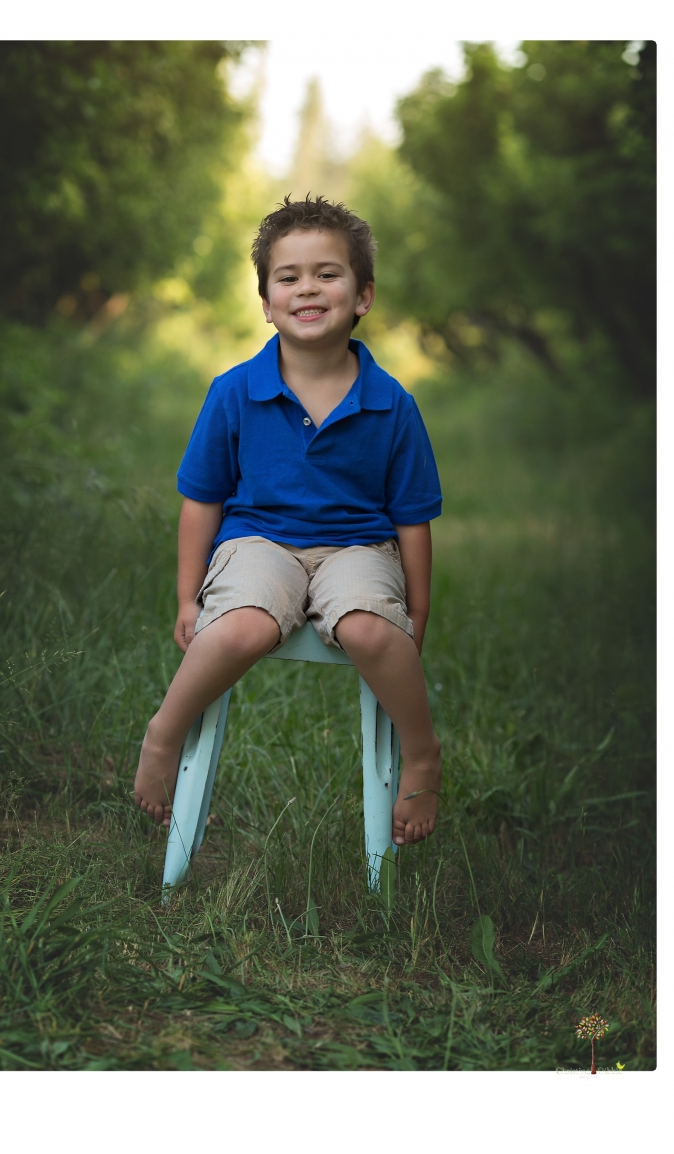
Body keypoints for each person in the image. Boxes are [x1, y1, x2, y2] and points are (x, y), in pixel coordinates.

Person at [133, 195, 443, 847]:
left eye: (328, 274)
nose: (308, 287)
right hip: (257, 541)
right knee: (240, 626)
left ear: (363, 296)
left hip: (359, 546)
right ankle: (164, 733)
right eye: (289, 276)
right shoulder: (234, 392)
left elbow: (413, 519)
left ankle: (421, 754)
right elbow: (203, 500)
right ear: (268, 303)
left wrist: (417, 612)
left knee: (373, 631)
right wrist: (189, 596)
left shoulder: (393, 405)